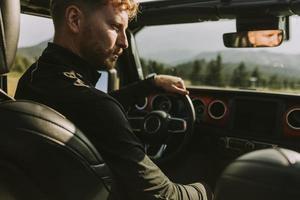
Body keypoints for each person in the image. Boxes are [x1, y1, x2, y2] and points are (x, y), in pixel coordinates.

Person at [15, 0, 212, 199]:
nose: (124, 42)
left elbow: (92, 109)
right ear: (75, 20)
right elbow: (161, 196)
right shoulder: (96, 107)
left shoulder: (32, 80)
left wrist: (152, 83)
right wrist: (208, 190)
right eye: (115, 26)